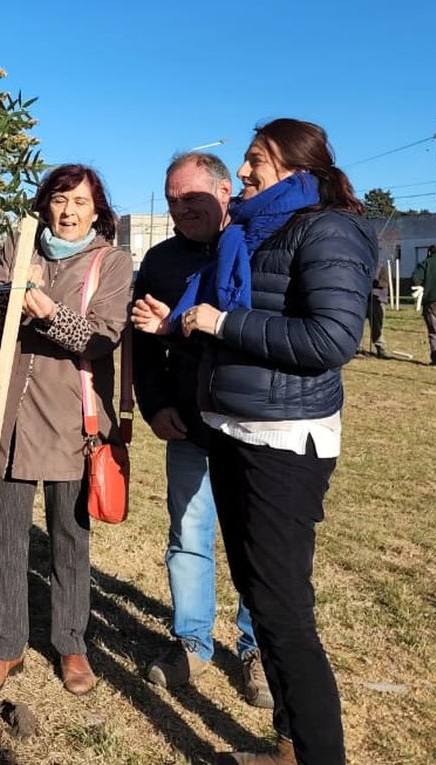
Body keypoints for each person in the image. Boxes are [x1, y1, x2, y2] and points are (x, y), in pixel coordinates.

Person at [133, 119, 376, 765]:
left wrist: (224, 319)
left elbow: (331, 339)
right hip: (235, 430)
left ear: (298, 167)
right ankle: (290, 749)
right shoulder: (254, 231)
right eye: (244, 161)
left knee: (286, 617)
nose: (243, 172)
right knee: (266, 606)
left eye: (255, 160)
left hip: (282, 442)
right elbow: (231, 330)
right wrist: (182, 326)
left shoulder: (326, 228)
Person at [0, 164, 132, 697]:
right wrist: (12, 290)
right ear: (45, 204)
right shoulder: (20, 245)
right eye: (60, 199)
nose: (68, 211)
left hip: (71, 421)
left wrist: (45, 308)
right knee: (5, 535)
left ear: (96, 210)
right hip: (9, 415)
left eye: (80, 202)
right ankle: (3, 644)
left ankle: (70, 642)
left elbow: (102, 337)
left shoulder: (112, 262)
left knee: (69, 537)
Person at [133, 152, 271, 709]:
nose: (180, 209)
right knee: (188, 536)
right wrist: (155, 403)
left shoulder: (256, 247)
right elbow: (142, 344)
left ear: (223, 191)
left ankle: (257, 646)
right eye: (171, 200)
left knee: (255, 539)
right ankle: (191, 642)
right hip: (187, 420)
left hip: (249, 421)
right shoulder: (160, 260)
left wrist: (175, 327)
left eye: (191, 197)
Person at [364, 268, 388, 358]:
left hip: (377, 299)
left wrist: (373, 283)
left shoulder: (381, 268)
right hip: (364, 298)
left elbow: (384, 283)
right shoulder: (363, 265)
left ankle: (380, 347)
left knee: (377, 325)